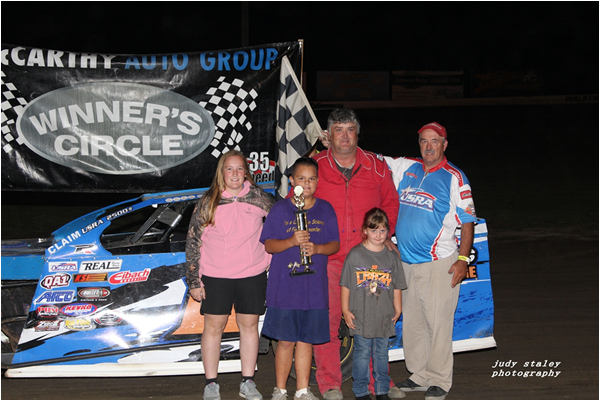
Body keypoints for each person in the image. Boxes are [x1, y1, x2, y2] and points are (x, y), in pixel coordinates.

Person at [311, 109, 402, 400]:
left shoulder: (376, 165)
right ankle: (330, 384)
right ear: (328, 135)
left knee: (376, 322)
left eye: (350, 129)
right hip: (330, 259)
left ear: (358, 133)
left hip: (369, 258)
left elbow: (390, 201)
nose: (345, 136)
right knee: (327, 322)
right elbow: (296, 203)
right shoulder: (314, 166)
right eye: (338, 129)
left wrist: (384, 235)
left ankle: (381, 384)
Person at [383, 122, 477, 400]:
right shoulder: (407, 168)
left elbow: (468, 221)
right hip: (407, 262)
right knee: (413, 323)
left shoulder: (455, 177)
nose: (428, 146)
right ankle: (420, 374)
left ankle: (439, 380)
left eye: (434, 141)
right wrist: (338, 140)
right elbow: (373, 158)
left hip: (440, 262)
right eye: (424, 141)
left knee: (437, 323)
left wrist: (462, 258)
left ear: (444, 144)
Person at [185, 150, 275, 401]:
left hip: (252, 275)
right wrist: (194, 281)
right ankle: (211, 384)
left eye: (239, 169)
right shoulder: (208, 201)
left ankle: (248, 382)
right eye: (229, 169)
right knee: (213, 329)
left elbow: (280, 226)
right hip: (216, 276)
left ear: (246, 172)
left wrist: (270, 259)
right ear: (221, 173)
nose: (234, 174)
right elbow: (193, 242)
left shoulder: (260, 198)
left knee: (249, 328)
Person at [260, 157, 340, 400]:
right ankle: (280, 390)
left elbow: (334, 244)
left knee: (306, 341)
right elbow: (269, 245)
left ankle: (303, 390)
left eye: (312, 178)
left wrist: (317, 249)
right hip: (285, 288)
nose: (307, 183)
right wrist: (291, 242)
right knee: (285, 341)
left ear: (318, 181)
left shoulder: (325, 209)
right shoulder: (280, 209)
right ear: (291, 181)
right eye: (301, 178)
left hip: (313, 288)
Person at [340, 208, 406, 401]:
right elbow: (346, 285)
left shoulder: (392, 256)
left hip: (384, 315)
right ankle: (360, 390)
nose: (378, 235)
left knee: (381, 354)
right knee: (361, 353)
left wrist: (398, 308)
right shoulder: (355, 255)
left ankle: (382, 389)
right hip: (361, 314)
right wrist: (345, 310)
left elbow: (397, 286)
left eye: (382, 230)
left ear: (388, 232)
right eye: (374, 230)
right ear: (365, 231)